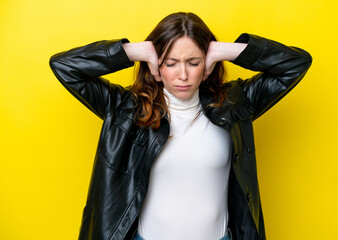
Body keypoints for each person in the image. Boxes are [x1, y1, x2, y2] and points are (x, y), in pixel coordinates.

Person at [49, 12, 312, 240]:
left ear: (207, 64)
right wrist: (133, 51)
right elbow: (64, 66)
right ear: (155, 65)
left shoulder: (235, 104)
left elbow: (296, 64)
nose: (183, 75)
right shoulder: (126, 109)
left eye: (194, 62)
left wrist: (226, 50)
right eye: (170, 63)